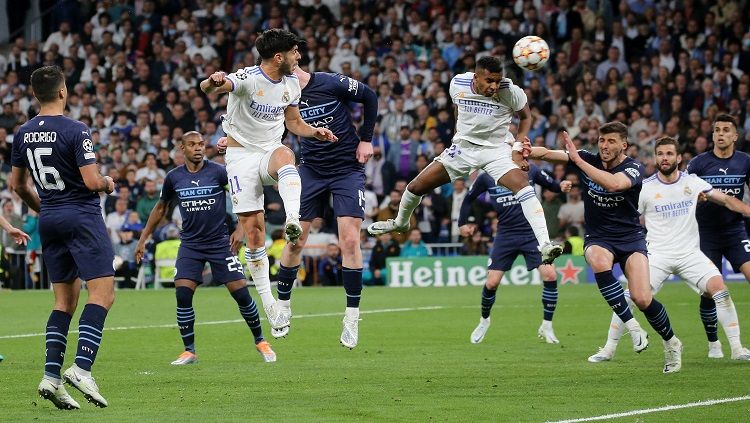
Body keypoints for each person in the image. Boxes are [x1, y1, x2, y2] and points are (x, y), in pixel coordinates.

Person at [200, 29, 337, 332]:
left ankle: (292, 219)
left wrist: (314, 131)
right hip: (240, 158)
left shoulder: (290, 83)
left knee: (286, 155)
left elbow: (293, 123)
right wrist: (214, 81)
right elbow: (208, 88)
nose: (298, 57)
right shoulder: (248, 78)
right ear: (279, 56)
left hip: (269, 151)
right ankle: (269, 304)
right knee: (255, 233)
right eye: (295, 52)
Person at [231, 64, 377, 348]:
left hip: (347, 168)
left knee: (349, 240)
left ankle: (351, 316)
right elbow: (269, 127)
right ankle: (282, 306)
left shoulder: (331, 83)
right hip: (311, 170)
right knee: (295, 240)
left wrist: (366, 140)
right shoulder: (282, 93)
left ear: (292, 66)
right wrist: (240, 143)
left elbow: (369, 96)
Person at [367, 56, 563, 265]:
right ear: (476, 77)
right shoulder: (458, 83)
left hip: (496, 150)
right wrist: (456, 135)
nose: (494, 86)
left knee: (523, 187)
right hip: (463, 149)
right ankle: (400, 223)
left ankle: (545, 245)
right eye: (489, 81)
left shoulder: (510, 91)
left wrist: (516, 146)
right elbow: (457, 107)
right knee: (415, 187)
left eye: (497, 80)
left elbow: (526, 117)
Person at [526, 122, 684, 373]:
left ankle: (672, 342)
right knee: (599, 261)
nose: (604, 146)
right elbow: (546, 154)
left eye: (611, 141)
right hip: (599, 236)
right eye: (601, 140)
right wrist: (523, 148)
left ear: (624, 145)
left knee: (643, 297)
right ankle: (633, 328)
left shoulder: (634, 167)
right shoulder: (587, 158)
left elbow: (614, 184)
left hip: (631, 237)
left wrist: (578, 162)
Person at [588, 137, 750, 362]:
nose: (665, 158)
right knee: (631, 297)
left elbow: (726, 200)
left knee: (719, 289)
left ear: (679, 158)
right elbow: (628, 216)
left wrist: (747, 210)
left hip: (690, 254)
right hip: (657, 254)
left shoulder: (693, 183)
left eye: (669, 154)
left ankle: (737, 348)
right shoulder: (645, 187)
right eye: (661, 154)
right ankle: (608, 349)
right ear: (655, 158)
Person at [11, 65, 116, 409]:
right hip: (81, 215)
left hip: (51, 217)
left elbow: (17, 185)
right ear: (62, 92)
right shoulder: (76, 129)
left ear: (35, 94)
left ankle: (52, 378)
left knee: (63, 302)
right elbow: (90, 181)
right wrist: (107, 182)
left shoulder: (23, 132)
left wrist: (44, 210)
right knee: (102, 294)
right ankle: (82, 368)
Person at [134, 132, 277, 365]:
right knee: (182, 294)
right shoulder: (173, 178)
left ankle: (261, 341)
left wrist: (241, 230)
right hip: (190, 244)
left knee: (241, 292)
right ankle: (189, 350)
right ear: (182, 148)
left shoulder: (219, 171)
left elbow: (243, 195)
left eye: (201, 144)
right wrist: (143, 239)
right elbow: (160, 208)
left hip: (219, 243)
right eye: (192, 145)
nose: (198, 148)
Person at [459, 165, 571, 345]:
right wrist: (462, 223)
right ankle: (484, 320)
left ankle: (547, 325)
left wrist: (561, 185)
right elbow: (468, 199)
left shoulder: (531, 170)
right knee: (492, 282)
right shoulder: (487, 176)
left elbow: (551, 184)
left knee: (550, 274)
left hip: (531, 232)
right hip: (505, 235)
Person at [686, 114, 750, 357]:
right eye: (717, 130)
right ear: (712, 135)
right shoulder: (698, 163)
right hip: (705, 234)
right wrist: (695, 196)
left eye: (726, 130)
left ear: (735, 136)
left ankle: (737, 346)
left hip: (735, 230)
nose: (720, 134)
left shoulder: (745, 162)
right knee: (708, 292)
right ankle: (714, 343)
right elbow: (683, 190)